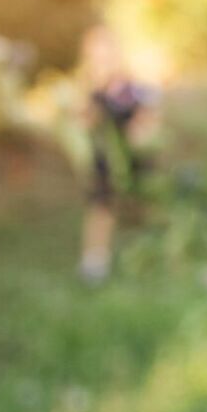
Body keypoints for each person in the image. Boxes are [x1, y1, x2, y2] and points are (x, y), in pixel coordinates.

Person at [75, 25, 157, 284]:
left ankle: (148, 251)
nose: (104, 60)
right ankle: (95, 260)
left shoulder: (132, 86)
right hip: (106, 157)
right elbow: (82, 122)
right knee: (102, 206)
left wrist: (141, 131)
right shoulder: (89, 90)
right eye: (98, 55)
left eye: (108, 53)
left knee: (143, 201)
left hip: (133, 154)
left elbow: (148, 116)